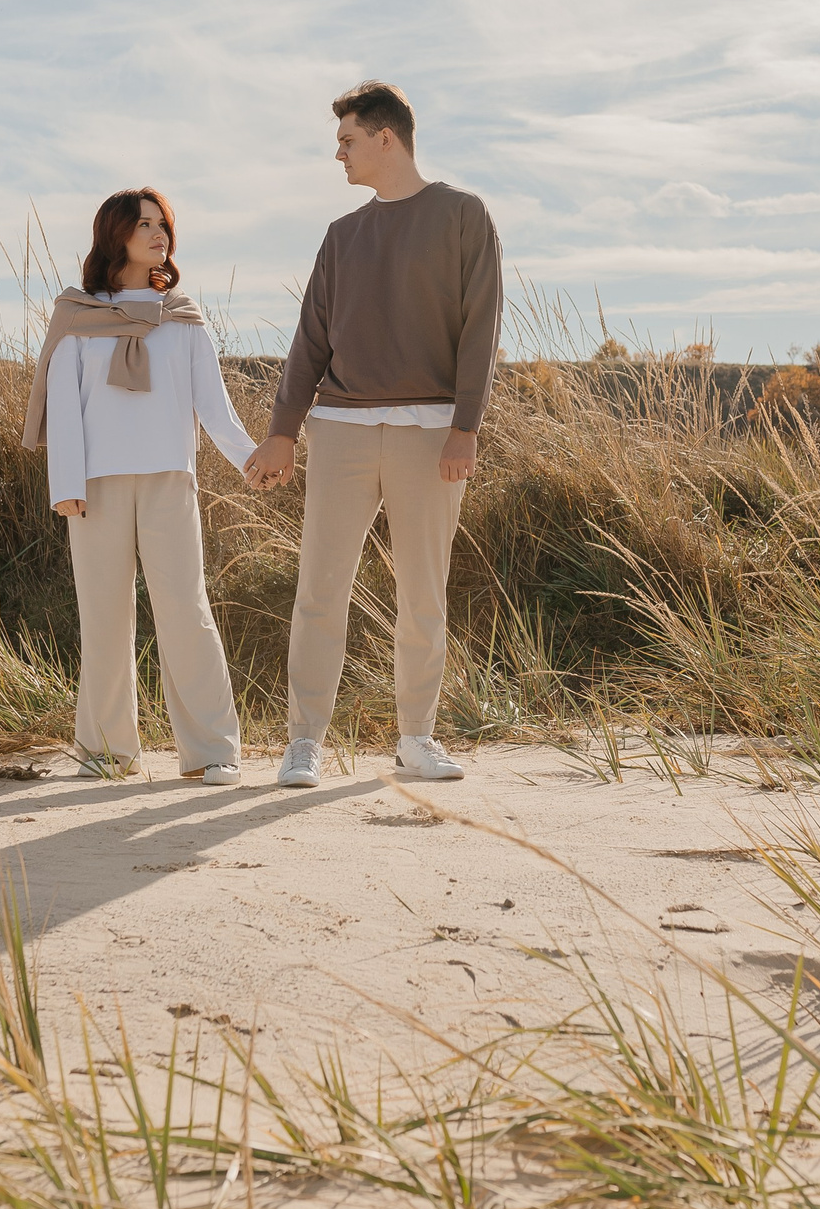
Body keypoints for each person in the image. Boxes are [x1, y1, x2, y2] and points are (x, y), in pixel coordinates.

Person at [243, 81, 501, 788]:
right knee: (320, 587)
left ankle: (416, 736)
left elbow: (482, 329)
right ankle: (304, 741)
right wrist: (282, 433)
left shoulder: (462, 215)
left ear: (387, 137)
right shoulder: (341, 235)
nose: (339, 154)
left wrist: (465, 428)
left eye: (348, 140)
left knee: (424, 592)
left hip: (430, 434)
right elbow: (309, 342)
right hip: (342, 431)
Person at [25, 188, 255, 783]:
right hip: (94, 487)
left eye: (164, 226)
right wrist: (65, 483)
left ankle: (211, 751)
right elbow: (66, 408)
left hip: (168, 480)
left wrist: (252, 460)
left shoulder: (182, 319)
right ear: (116, 234)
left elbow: (216, 408)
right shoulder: (77, 317)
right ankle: (106, 753)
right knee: (104, 618)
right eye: (146, 225)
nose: (160, 235)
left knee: (186, 611)